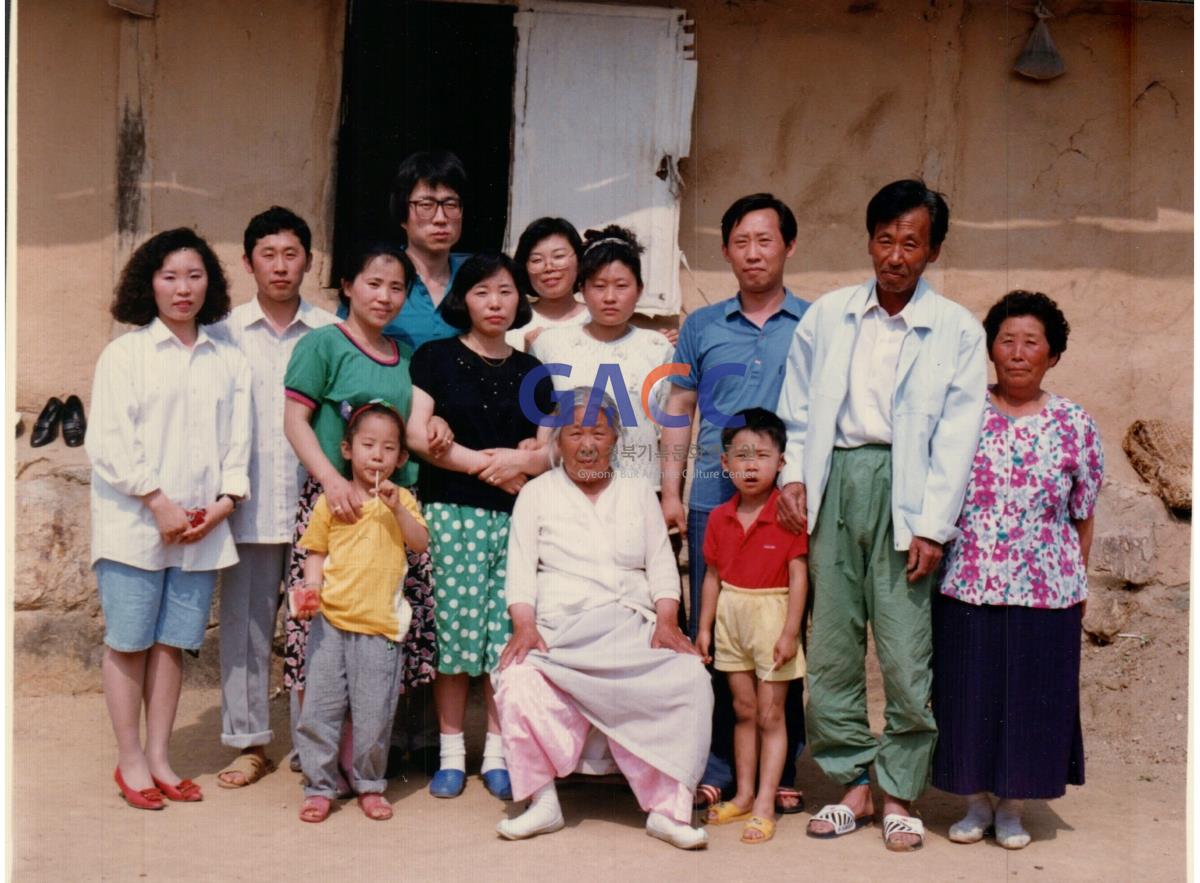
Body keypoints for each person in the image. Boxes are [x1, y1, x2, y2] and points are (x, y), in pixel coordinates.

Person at [775, 179, 987, 851]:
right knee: (833, 641)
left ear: (933, 250)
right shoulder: (831, 314)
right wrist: (793, 476)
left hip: (910, 486)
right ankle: (851, 784)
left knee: (903, 650)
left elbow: (958, 433)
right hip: (837, 475)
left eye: (912, 242)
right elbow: (799, 404)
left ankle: (899, 789)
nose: (896, 255)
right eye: (885, 239)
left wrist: (933, 524)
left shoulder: (953, 328)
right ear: (870, 240)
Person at [493, 390, 713, 850]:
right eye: (575, 432)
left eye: (598, 431)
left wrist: (667, 621)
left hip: (630, 630)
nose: (587, 444)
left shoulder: (637, 493)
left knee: (690, 677)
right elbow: (519, 571)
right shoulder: (536, 493)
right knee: (515, 679)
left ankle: (668, 809)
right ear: (558, 441)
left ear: (616, 438)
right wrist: (525, 626)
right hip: (561, 633)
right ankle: (542, 802)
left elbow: (661, 567)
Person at [87, 228, 250, 809]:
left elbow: (239, 443)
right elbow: (109, 441)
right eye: (169, 276)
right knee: (130, 642)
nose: (183, 289)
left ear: (211, 283)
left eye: (195, 275)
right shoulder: (125, 355)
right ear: (148, 284)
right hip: (135, 526)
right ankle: (129, 761)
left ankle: (159, 757)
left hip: (201, 529)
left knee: (171, 644)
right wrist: (157, 503)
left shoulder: (228, 357)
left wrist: (225, 505)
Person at [932, 290, 1102, 849]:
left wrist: (1077, 581)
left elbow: (1082, 514)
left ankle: (1014, 807)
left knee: (1029, 699)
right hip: (969, 581)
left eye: (1032, 342)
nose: (1018, 352)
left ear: (1052, 354)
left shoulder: (1074, 422)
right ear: (991, 349)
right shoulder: (963, 413)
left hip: (1047, 590)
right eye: (1007, 340)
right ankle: (976, 803)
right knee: (970, 693)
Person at [659, 193, 809, 813]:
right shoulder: (701, 325)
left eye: (765, 240)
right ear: (726, 251)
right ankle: (719, 765)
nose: (753, 253)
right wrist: (671, 489)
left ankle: (784, 766)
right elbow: (679, 408)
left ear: (788, 247)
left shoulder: (813, 322)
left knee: (780, 630)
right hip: (713, 496)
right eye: (741, 242)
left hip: (789, 500)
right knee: (715, 632)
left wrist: (802, 482)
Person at [282, 241, 451, 784]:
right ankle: (319, 762)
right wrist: (333, 481)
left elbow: (415, 428)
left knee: (384, 634)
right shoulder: (323, 344)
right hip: (336, 502)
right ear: (348, 286)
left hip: (390, 510)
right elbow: (295, 422)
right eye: (373, 283)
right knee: (325, 632)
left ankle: (367, 759)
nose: (385, 296)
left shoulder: (404, 357)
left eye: (397, 287)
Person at [406, 251, 555, 801]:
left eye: (506, 292)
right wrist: (488, 467)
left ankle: (496, 752)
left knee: (503, 639)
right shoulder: (435, 358)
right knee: (454, 637)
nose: (495, 303)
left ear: (520, 300)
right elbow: (419, 436)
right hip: (451, 514)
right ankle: (450, 753)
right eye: (482, 292)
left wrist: (519, 464)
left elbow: (547, 453)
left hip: (516, 522)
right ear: (463, 299)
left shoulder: (532, 373)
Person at [210, 206, 337, 789]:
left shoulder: (332, 331)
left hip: (320, 509)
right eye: (269, 254)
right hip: (250, 506)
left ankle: (314, 740)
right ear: (247, 262)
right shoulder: (223, 334)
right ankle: (249, 741)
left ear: (309, 261)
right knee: (246, 628)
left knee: (316, 627)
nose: (281, 266)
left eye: (292, 254)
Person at [292, 403, 430, 823]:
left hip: (381, 626)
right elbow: (315, 553)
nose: (377, 455)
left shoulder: (402, 499)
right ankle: (319, 786)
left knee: (374, 713)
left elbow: (420, 544)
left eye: (389, 448)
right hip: (330, 623)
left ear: (401, 459)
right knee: (320, 709)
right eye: (368, 445)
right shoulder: (331, 501)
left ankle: (370, 785)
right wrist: (312, 589)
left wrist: (397, 510)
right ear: (347, 449)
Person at [696, 408, 808, 845]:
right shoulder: (720, 517)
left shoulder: (787, 514)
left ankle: (765, 802)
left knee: (770, 713)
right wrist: (705, 628)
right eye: (740, 456)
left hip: (772, 618)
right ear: (724, 463)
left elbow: (799, 575)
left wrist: (790, 632)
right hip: (731, 619)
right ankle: (742, 794)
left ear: (781, 462)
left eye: (761, 455)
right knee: (743, 711)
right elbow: (711, 577)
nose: (750, 465)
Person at [531, 225, 675, 490]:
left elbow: (669, 431)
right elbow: (540, 424)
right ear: (582, 290)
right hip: (566, 489)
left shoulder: (658, 348)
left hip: (639, 489)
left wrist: (670, 496)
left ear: (639, 290)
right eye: (599, 286)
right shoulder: (549, 345)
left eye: (622, 286)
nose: (610, 297)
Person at [379, 150, 471, 351]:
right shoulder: (376, 277)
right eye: (426, 205)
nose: (440, 218)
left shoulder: (477, 276)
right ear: (403, 215)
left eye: (450, 204)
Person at [506, 216, 588, 352]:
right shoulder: (511, 322)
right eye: (537, 260)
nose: (549, 267)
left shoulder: (598, 317)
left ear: (579, 260)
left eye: (559, 256)